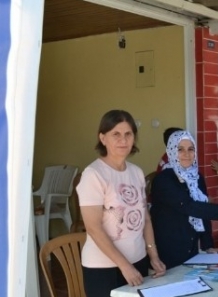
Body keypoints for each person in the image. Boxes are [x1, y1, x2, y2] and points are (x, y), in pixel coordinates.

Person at [77, 110, 166, 297]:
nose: (123, 140)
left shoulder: (136, 172)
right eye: (115, 134)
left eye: (128, 134)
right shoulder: (93, 175)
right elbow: (93, 228)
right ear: (103, 138)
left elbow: (146, 220)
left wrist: (154, 256)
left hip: (138, 261)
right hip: (103, 268)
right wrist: (124, 266)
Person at [150, 130, 218, 269]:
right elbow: (189, 206)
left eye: (191, 149)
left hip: (191, 248)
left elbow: (202, 212)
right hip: (169, 249)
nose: (186, 154)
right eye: (180, 149)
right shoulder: (164, 179)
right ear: (171, 151)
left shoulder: (196, 177)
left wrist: (208, 246)